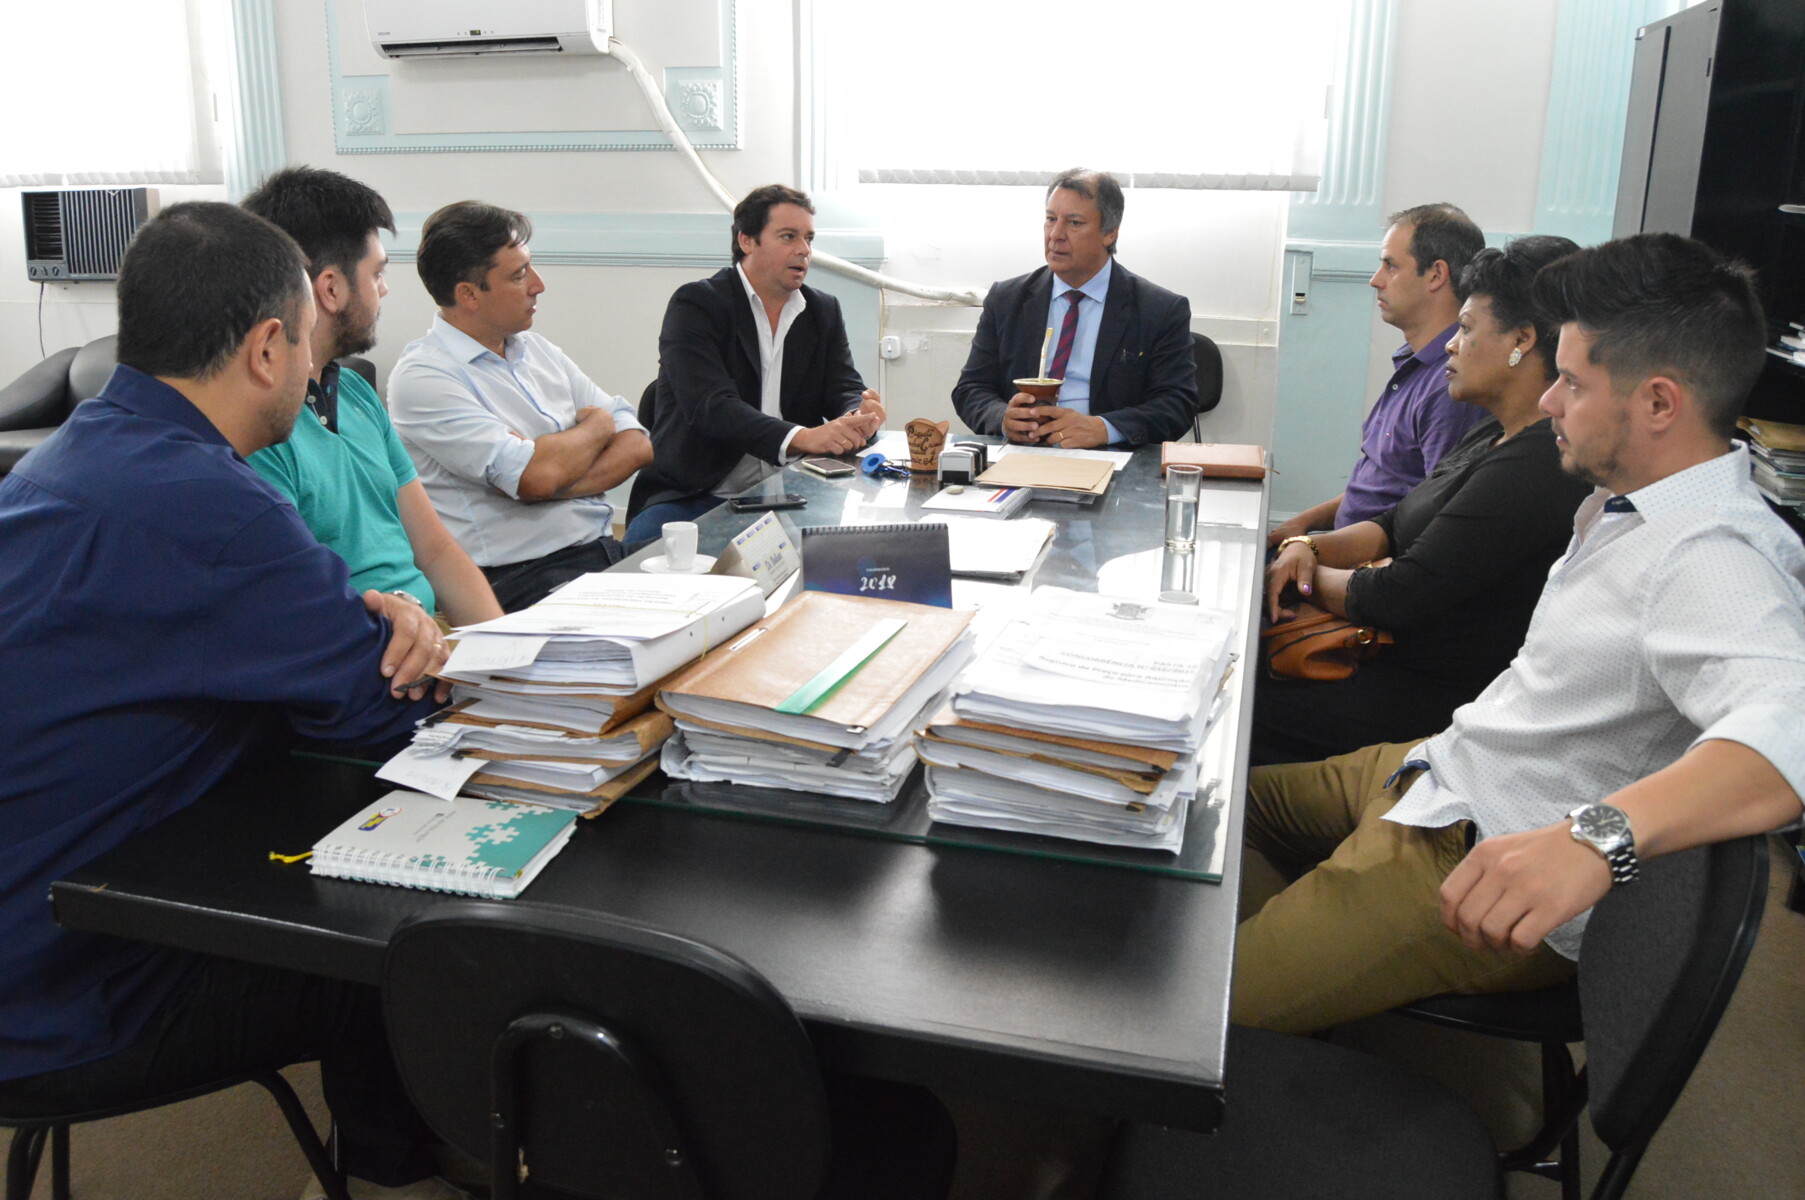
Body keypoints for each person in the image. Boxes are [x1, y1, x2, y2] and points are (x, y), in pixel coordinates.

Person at [0, 203, 463, 1198]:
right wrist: (397, 632)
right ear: (265, 348)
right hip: (62, 999)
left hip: (30, 921)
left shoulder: (64, 461)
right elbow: (388, 715)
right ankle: (393, 1179)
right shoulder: (215, 506)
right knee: (408, 951)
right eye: (305, 343)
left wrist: (358, 617)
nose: (311, 367)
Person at [1232, 232, 1805, 1036]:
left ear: (1658, 404)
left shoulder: (1712, 553)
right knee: (1203, 811)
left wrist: (1591, 840)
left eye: (1571, 382)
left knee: (1189, 1018)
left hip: (1476, 855)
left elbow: (1790, 725)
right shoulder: (1622, 499)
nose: (1547, 402)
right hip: (1436, 772)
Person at [1252, 236, 1590, 766]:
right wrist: (1307, 547)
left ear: (1522, 340)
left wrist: (1301, 574)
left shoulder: (1535, 464)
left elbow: (1398, 594)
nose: (1452, 345)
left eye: (1467, 329)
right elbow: (1392, 523)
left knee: (1238, 703)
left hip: (1427, 698)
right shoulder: (1493, 431)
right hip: (1377, 652)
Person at [241, 167, 503, 626]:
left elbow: (436, 550)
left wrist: (501, 645)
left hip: (424, 634)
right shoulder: (260, 427)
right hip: (371, 648)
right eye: (377, 273)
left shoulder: (356, 392)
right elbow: (297, 604)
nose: (384, 288)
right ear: (331, 288)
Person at [387, 202, 651, 611]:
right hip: (520, 578)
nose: (538, 285)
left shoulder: (537, 350)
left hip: (598, 550)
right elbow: (534, 476)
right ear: (468, 294)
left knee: (724, 600)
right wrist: (597, 427)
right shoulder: (424, 377)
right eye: (519, 275)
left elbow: (637, 445)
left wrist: (549, 480)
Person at [625, 184, 883, 544]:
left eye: (809, 238)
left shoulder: (822, 310)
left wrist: (856, 412)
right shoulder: (697, 304)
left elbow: (842, 385)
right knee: (649, 553)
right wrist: (803, 437)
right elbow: (711, 406)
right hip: (698, 493)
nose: (804, 250)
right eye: (788, 236)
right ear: (747, 240)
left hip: (795, 489)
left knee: (852, 552)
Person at [1267, 203, 1488, 545]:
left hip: (1370, 566)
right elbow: (1383, 484)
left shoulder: (1450, 386)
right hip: (1346, 551)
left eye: (1390, 265)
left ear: (1436, 275)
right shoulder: (1416, 362)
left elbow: (1432, 527)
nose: (1375, 280)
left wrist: (1312, 551)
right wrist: (1303, 524)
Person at [951, 168, 1196, 448]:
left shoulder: (1160, 310)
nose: (1056, 234)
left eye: (1074, 223)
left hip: (1109, 455)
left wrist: (1105, 428)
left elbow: (1177, 404)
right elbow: (970, 389)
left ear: (1110, 233)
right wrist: (1003, 419)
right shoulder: (1006, 300)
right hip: (1021, 453)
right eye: (1050, 219)